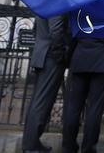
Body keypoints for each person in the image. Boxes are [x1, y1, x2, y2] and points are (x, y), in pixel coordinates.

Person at [62, 36, 104, 153]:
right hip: (102, 59)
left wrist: (68, 59)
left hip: (80, 57)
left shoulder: (80, 16)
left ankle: (68, 146)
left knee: (72, 107)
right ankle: (88, 147)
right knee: (95, 108)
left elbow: (71, 36)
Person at [22, 14, 71, 153]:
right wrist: (61, 54)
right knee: (41, 102)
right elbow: (56, 31)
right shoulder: (56, 4)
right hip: (50, 57)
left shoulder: (44, 3)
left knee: (38, 101)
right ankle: (31, 145)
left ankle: (31, 141)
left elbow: (35, 29)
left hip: (43, 53)